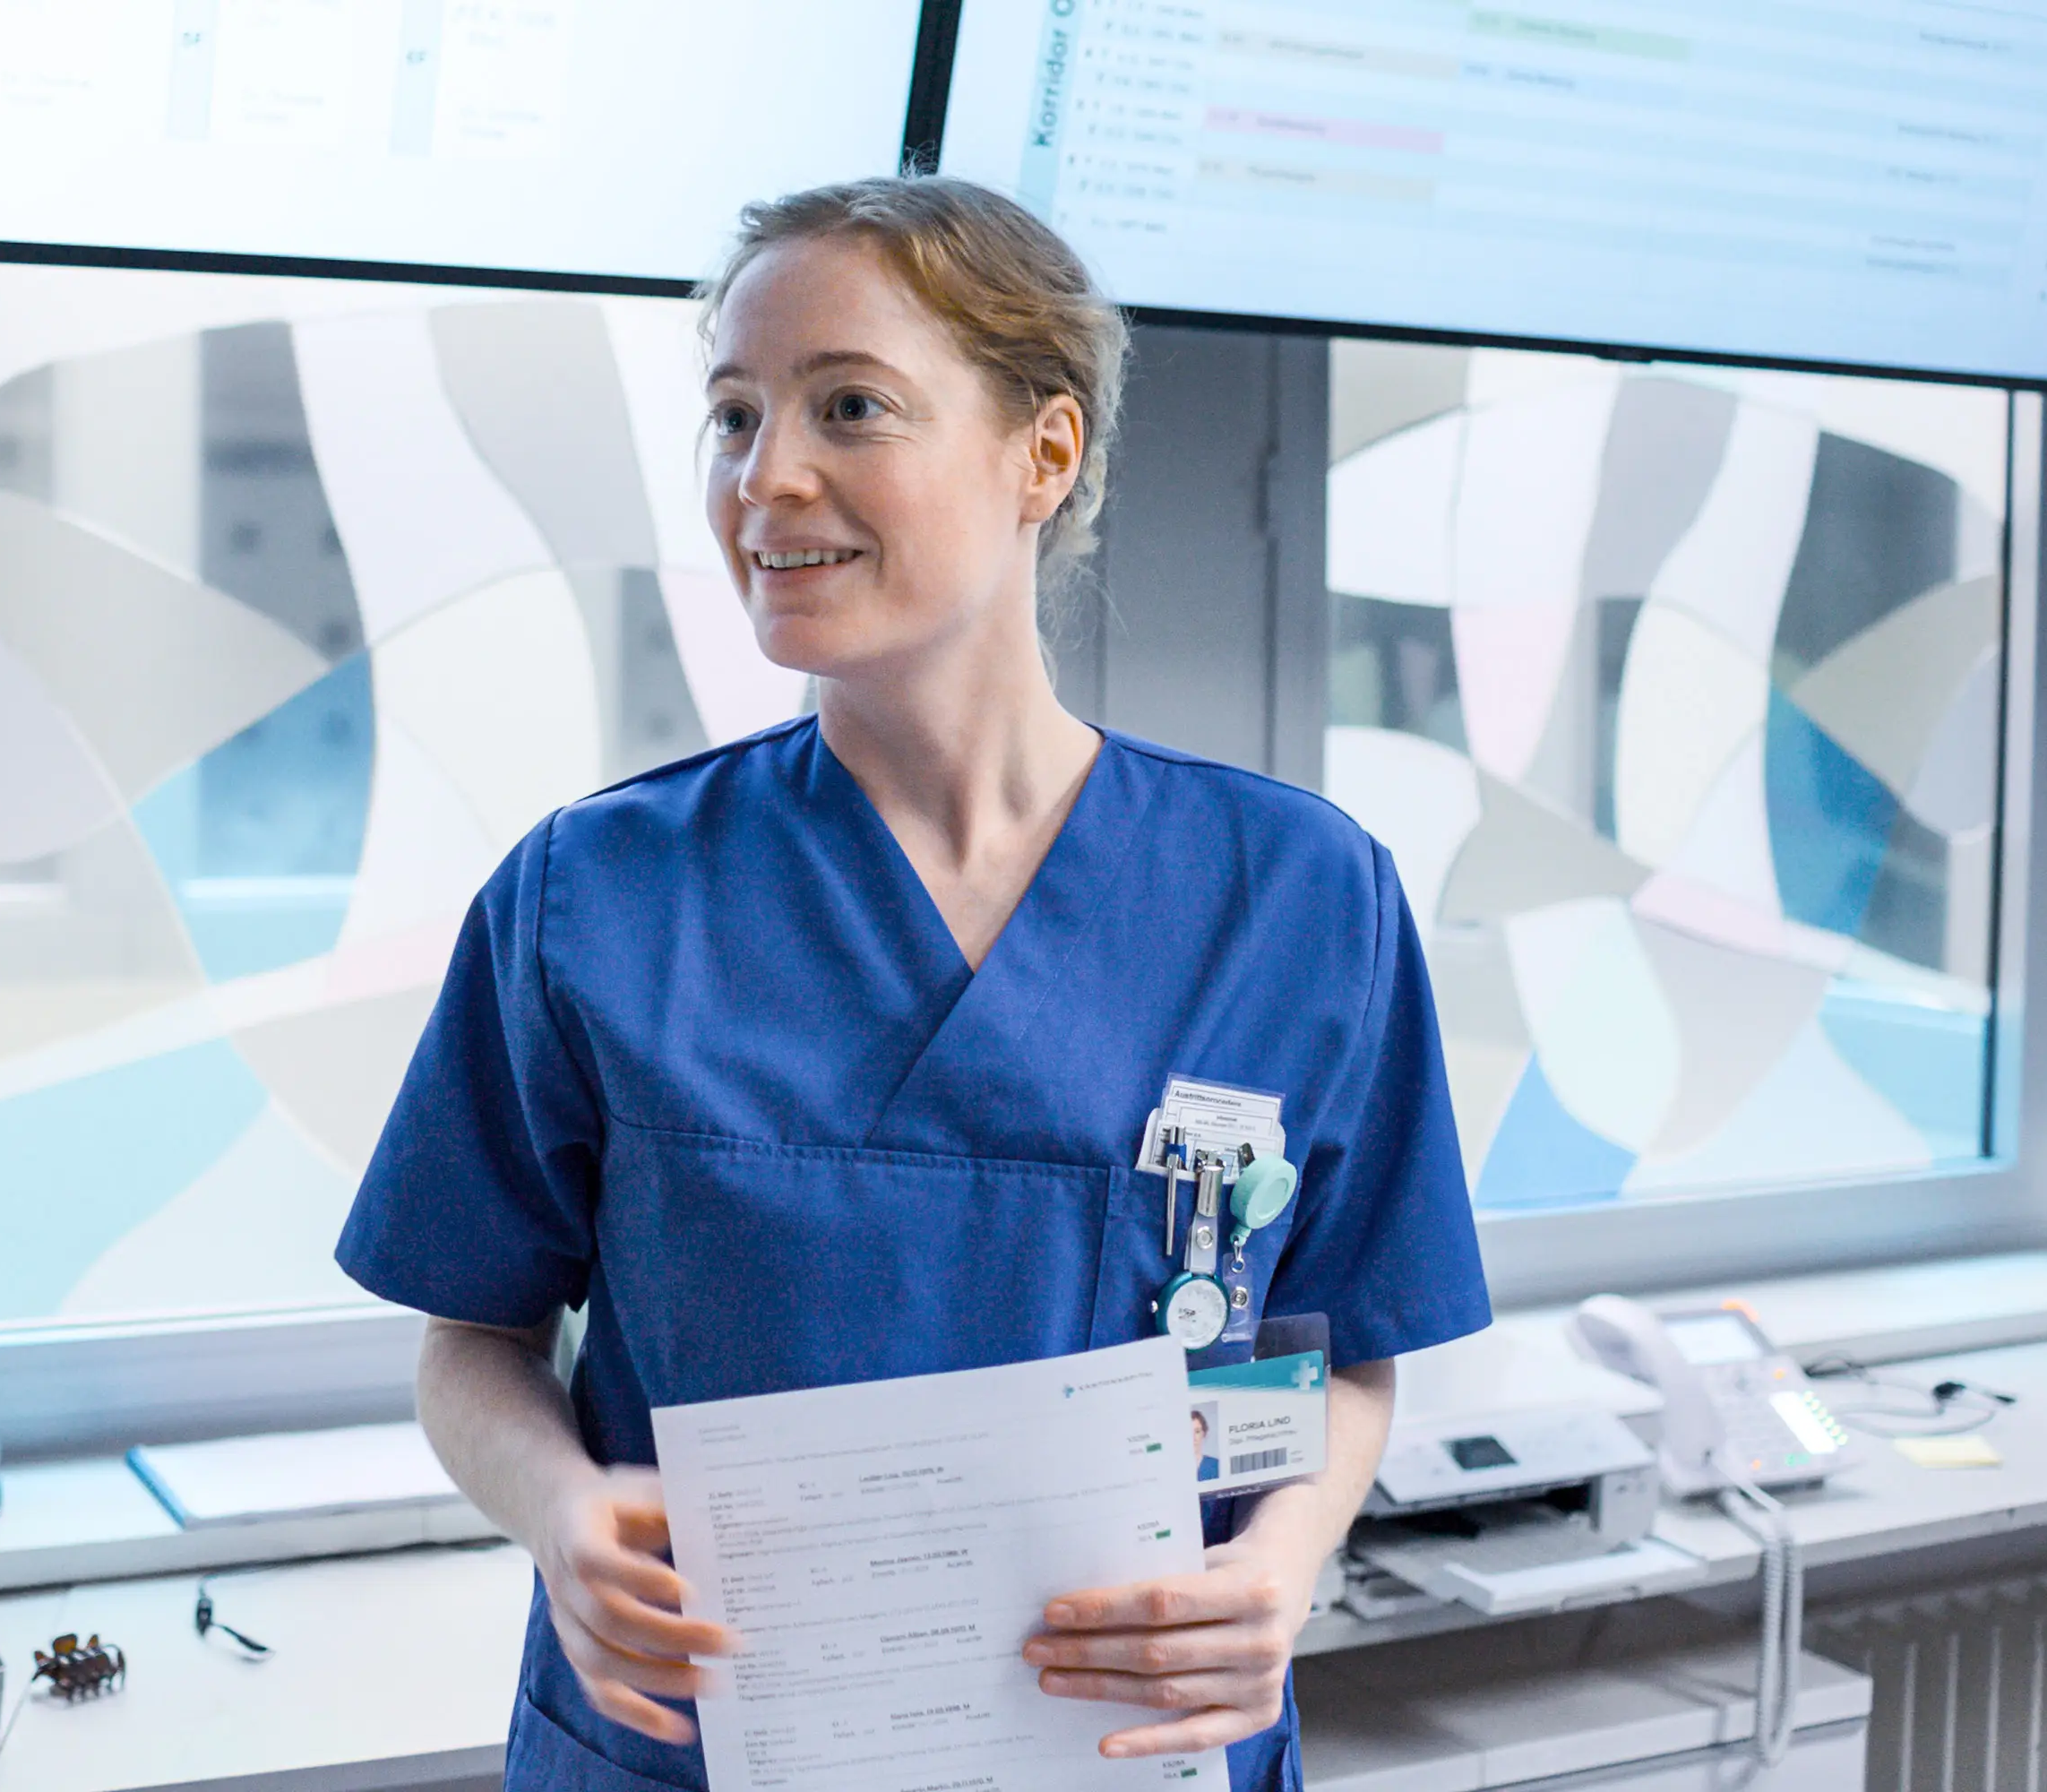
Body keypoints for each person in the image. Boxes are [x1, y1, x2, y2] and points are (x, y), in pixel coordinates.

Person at [335, 175, 1490, 1791]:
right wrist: (563, 1515)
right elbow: (472, 1340)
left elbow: (1342, 1342)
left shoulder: (1297, 896)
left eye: (848, 406)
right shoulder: (591, 895)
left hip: (1125, 1744)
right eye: (732, 416)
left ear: (1045, 451)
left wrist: (1280, 1569)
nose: (765, 477)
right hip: (693, 1752)